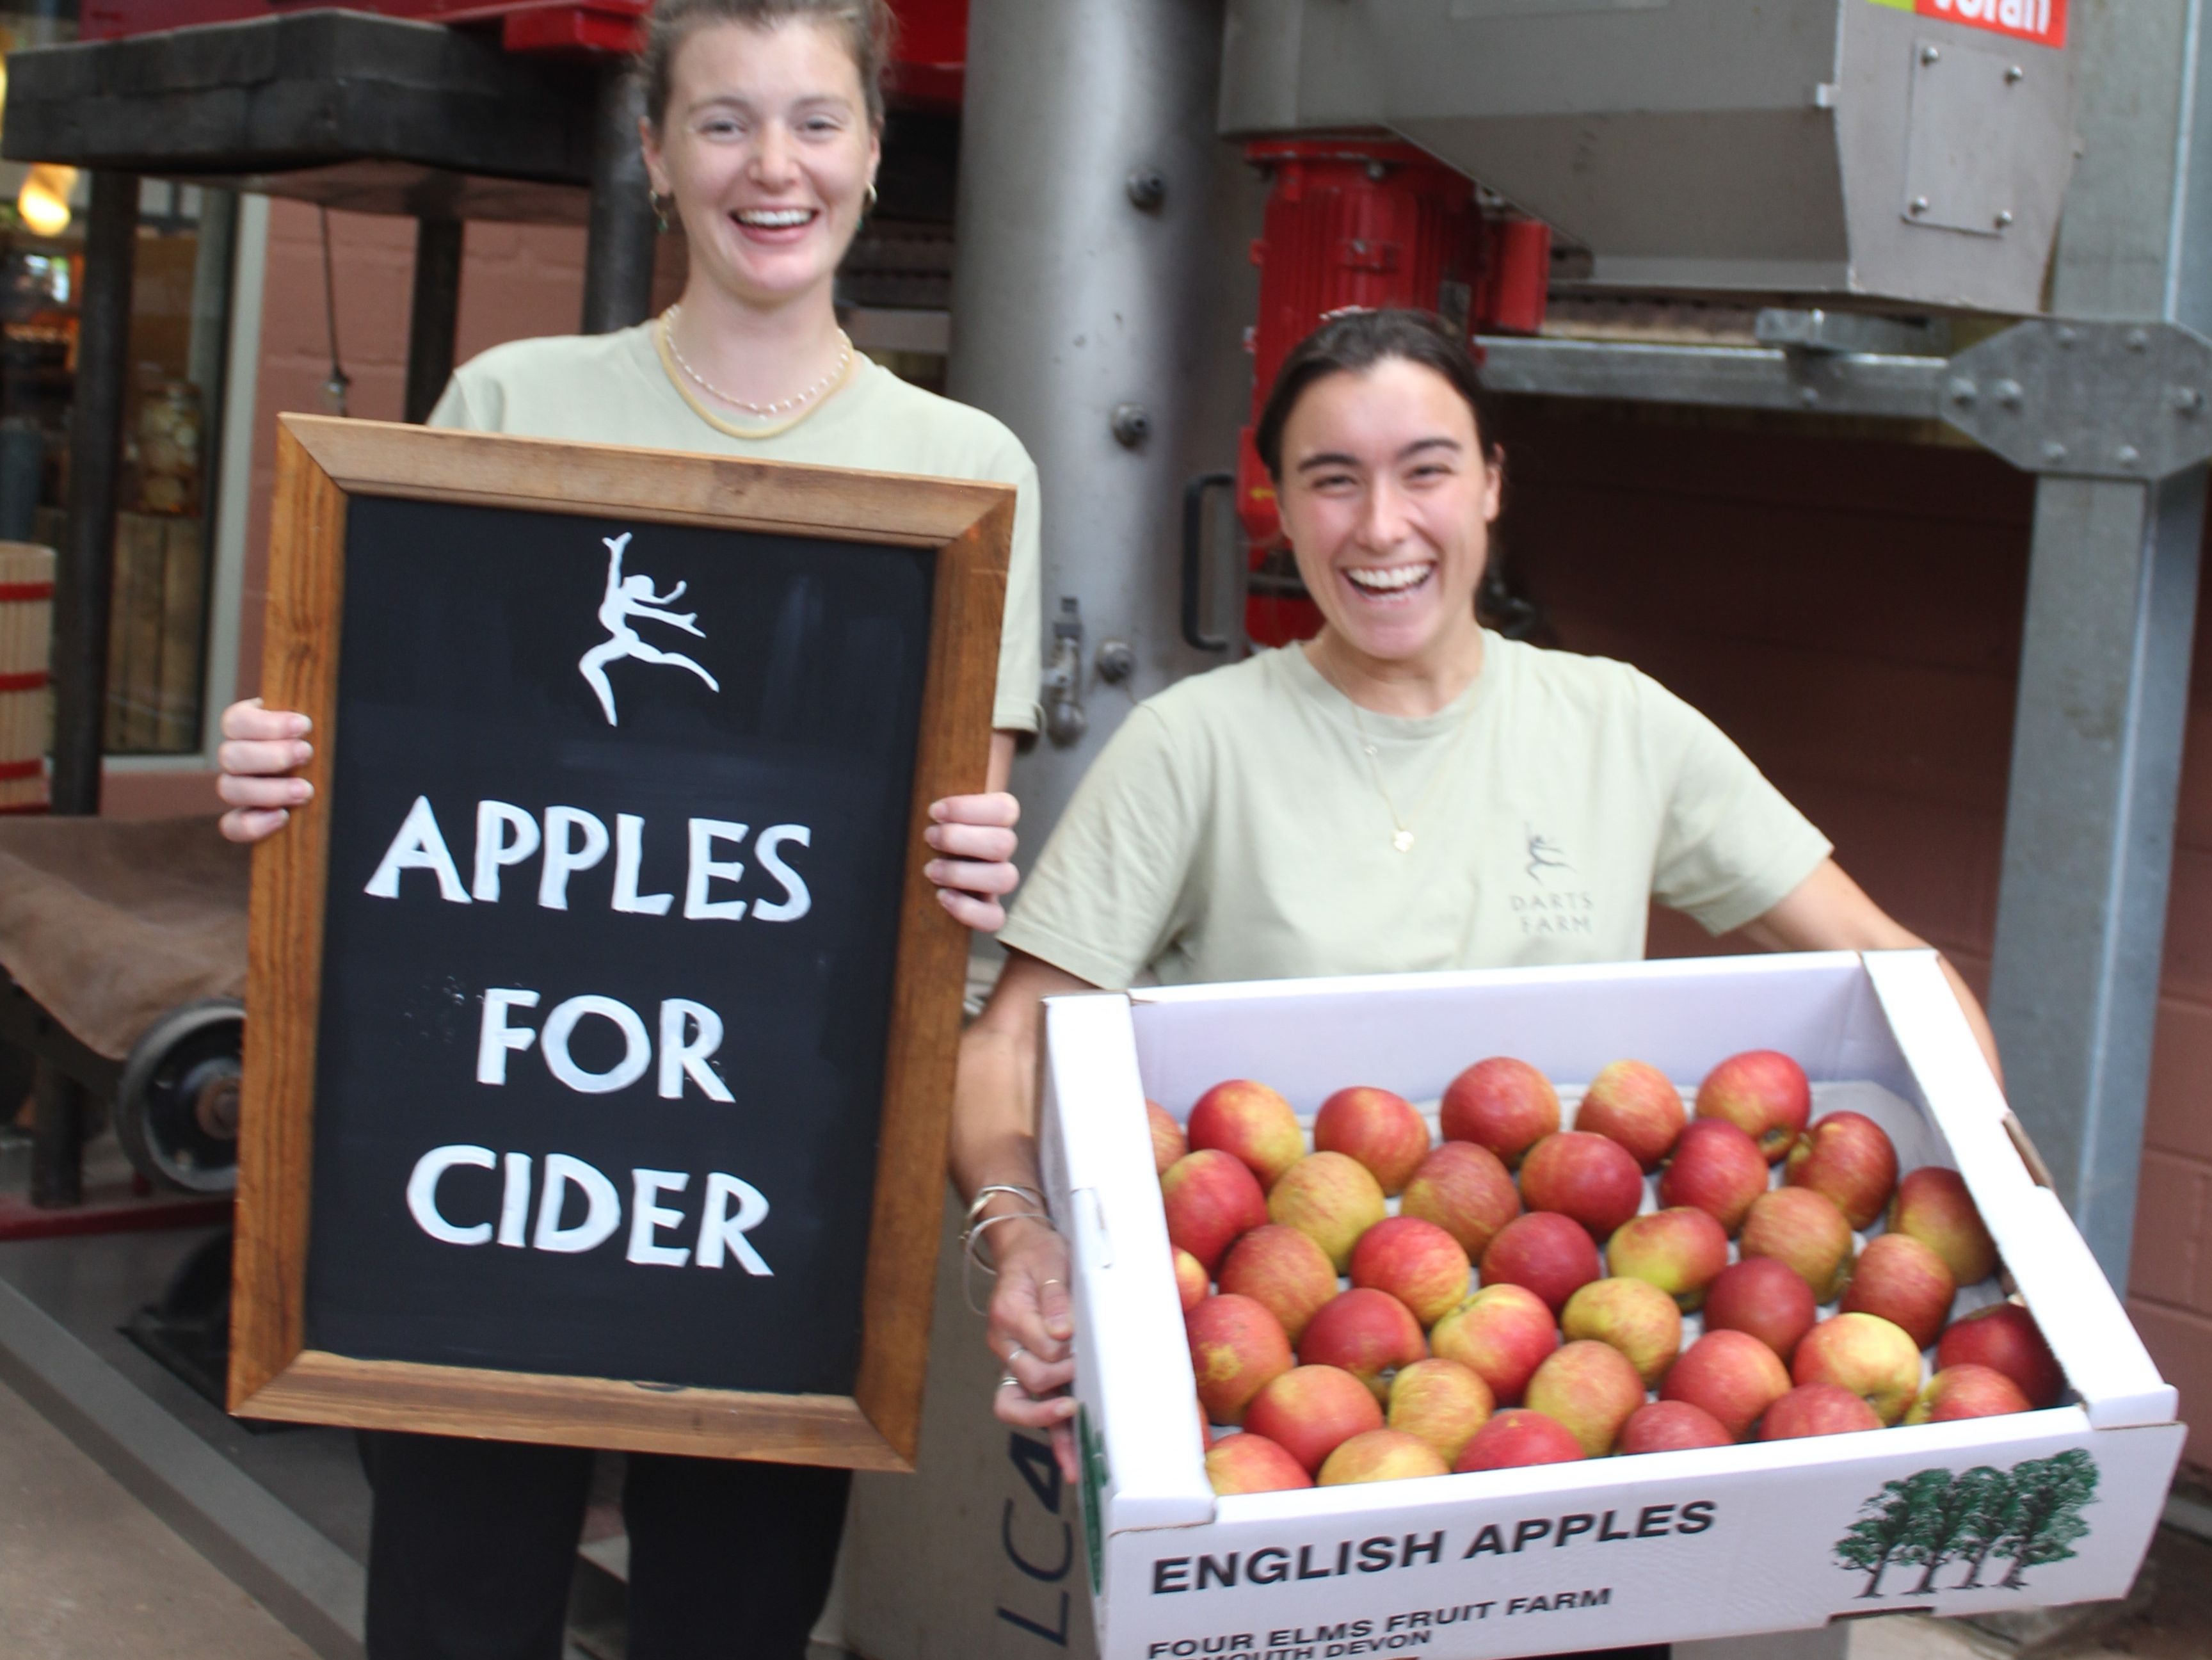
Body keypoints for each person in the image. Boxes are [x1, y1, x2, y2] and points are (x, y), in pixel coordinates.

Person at [952, 308, 2001, 1660]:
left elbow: (1888, 960)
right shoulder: (1192, 748)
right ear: (1281, 502)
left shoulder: (1616, 722)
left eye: (1427, 469)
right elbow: (1010, 1041)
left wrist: (2001, 1190)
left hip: (1566, 1477)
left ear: (1493, 483)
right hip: (1290, 1448)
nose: (1382, 524)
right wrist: (1019, 1227)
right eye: (1334, 478)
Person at [218, 3, 1034, 1655]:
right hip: (484, 1158)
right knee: (454, 1608)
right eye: (723, 123)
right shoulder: (514, 402)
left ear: (877, 151)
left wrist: (969, 867)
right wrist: (279, 772)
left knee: (733, 1624)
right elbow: (396, 772)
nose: (773, 166)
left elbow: (950, 832)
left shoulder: (958, 472)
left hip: (773, 1191)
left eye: (817, 120)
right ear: (655, 156)